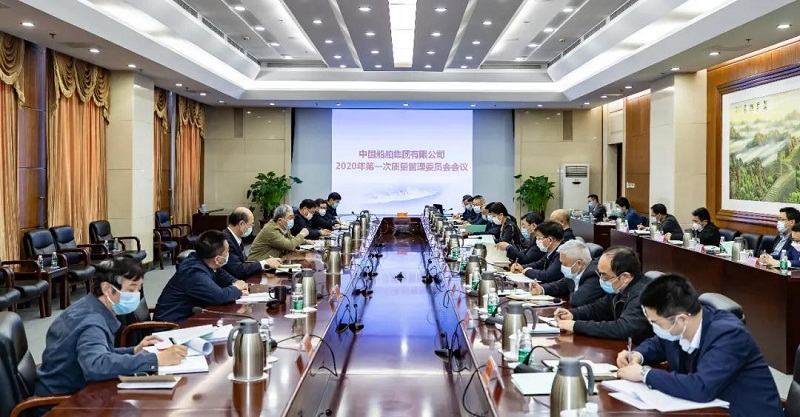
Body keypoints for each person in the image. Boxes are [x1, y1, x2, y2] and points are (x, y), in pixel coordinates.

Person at [616, 274, 782, 417]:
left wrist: (645, 374)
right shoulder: (679, 327)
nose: (654, 327)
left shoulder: (729, 334)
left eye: (655, 323)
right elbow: (659, 343)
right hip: (704, 409)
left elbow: (701, 387)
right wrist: (637, 355)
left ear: (681, 319)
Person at [36, 257, 188, 402]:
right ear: (107, 289)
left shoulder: (89, 306)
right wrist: (156, 360)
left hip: (73, 389)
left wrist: (134, 351)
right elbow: (97, 365)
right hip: (62, 403)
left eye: (139, 289)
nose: (137, 295)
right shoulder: (92, 323)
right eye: (131, 289)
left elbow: (99, 352)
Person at [553, 246, 652, 343]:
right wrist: (573, 314)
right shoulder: (619, 288)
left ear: (625, 277)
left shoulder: (644, 294)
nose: (600, 279)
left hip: (638, 349)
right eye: (599, 274)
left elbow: (623, 328)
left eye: (604, 275)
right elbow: (597, 308)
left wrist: (575, 326)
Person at [155, 230, 249, 322]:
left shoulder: (208, 262)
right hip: (171, 326)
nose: (229, 254)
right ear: (217, 259)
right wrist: (236, 288)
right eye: (227, 251)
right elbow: (220, 296)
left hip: (190, 319)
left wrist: (238, 285)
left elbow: (230, 280)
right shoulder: (193, 272)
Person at [527, 240, 605, 307]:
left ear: (579, 264)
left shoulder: (594, 276)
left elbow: (577, 300)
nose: (562, 266)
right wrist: (541, 289)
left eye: (564, 264)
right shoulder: (575, 273)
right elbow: (560, 285)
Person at [222, 207, 282, 279]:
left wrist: (267, 262)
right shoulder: (225, 241)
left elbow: (243, 263)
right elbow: (238, 270)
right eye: (251, 225)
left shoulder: (235, 238)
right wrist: (265, 263)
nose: (252, 228)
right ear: (241, 224)